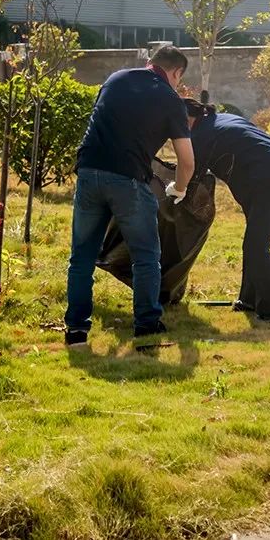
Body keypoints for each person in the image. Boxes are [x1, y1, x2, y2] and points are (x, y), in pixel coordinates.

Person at [65, 45, 195, 346]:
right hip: (128, 180)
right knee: (146, 256)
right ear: (176, 73)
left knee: (81, 257)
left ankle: (76, 332)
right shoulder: (170, 99)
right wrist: (179, 188)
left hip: (88, 172)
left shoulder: (116, 78)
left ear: (150, 62)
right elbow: (187, 162)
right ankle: (147, 325)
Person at [183, 98, 270, 323]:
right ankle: (248, 300)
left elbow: (191, 174)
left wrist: (176, 191)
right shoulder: (222, 119)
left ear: (186, 119)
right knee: (254, 241)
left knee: (256, 246)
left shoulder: (200, 136)